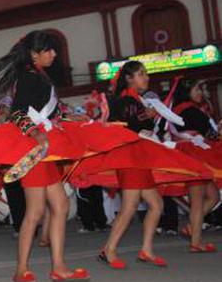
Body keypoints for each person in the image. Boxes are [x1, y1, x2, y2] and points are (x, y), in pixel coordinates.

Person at [0, 31, 139, 282]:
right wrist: (35, 133)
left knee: (59, 206)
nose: (54, 54)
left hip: (45, 150)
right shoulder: (28, 77)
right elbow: (18, 112)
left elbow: (48, 110)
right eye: (48, 50)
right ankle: (21, 270)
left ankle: (58, 267)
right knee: (36, 211)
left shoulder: (39, 75)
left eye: (54, 49)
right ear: (34, 54)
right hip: (34, 149)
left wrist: (71, 117)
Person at [74, 62, 212, 269]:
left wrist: (148, 116)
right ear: (129, 78)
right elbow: (122, 124)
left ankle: (146, 250)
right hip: (130, 157)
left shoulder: (136, 99)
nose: (145, 78)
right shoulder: (125, 99)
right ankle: (108, 250)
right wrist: (144, 116)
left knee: (156, 205)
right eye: (141, 74)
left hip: (139, 157)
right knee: (130, 207)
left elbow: (138, 123)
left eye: (145, 74)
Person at [169, 79, 220, 253]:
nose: (201, 92)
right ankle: (196, 242)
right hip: (195, 157)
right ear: (187, 90)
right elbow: (211, 135)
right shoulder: (191, 110)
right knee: (198, 201)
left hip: (189, 155)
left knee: (213, 197)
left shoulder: (177, 110)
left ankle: (193, 228)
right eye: (198, 88)